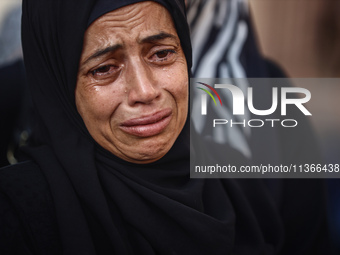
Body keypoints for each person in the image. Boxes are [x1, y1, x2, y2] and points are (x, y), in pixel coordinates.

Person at [0, 0, 329, 254]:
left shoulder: (242, 186)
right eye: (104, 69)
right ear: (58, 84)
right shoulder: (20, 211)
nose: (145, 91)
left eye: (162, 54)